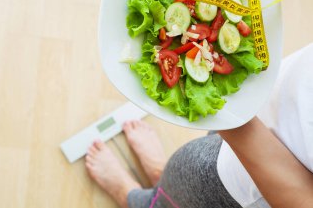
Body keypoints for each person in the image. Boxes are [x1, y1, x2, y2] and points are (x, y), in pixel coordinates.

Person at [85, 44, 313, 208]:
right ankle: (160, 176)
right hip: (259, 112)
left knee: (176, 193)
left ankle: (135, 198)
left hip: (249, 184)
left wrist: (234, 123)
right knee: (183, 169)